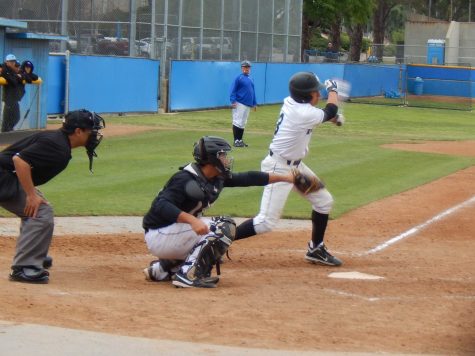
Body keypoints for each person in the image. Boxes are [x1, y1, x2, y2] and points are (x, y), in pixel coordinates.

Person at [142, 135, 295, 288]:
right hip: (159, 234)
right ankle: (189, 275)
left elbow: (248, 178)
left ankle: (162, 270)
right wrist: (192, 220)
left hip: (172, 234)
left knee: (211, 242)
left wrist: (286, 178)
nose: (226, 159)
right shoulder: (184, 179)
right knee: (222, 227)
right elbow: (160, 205)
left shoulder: (215, 177)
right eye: (222, 155)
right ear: (212, 158)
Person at [234, 72, 345, 266]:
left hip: (296, 168)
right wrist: (333, 90)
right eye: (316, 91)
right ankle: (215, 241)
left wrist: (331, 118)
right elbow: (331, 108)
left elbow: (323, 114)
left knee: (323, 201)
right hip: (279, 168)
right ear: (307, 95)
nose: (318, 94)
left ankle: (316, 249)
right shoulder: (304, 113)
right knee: (265, 222)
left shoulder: (293, 103)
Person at [0, 109, 105, 284]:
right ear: (78, 131)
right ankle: (25, 268)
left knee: (37, 208)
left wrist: (32, 194)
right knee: (41, 212)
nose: (94, 136)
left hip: (8, 176)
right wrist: (31, 195)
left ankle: (34, 252)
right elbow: (20, 161)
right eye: (91, 131)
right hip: (4, 177)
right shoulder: (56, 146)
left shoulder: (58, 141)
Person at [229, 60, 257, 148]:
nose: (246, 69)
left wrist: (254, 103)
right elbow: (232, 90)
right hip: (239, 103)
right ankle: (236, 140)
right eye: (244, 67)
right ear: (241, 68)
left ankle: (240, 140)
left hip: (248, 104)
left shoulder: (250, 78)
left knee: (243, 122)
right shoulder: (239, 78)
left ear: (250, 68)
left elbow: (253, 92)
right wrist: (233, 101)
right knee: (237, 121)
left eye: (248, 67)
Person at [0, 54, 23, 132]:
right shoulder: (4, 69)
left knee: (17, 117)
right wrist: (16, 77)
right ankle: (4, 133)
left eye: (14, 61)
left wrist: (16, 76)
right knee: (6, 119)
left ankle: (9, 129)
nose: (13, 63)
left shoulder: (13, 69)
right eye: (11, 61)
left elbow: (21, 76)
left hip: (14, 98)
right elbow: (13, 81)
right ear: (7, 62)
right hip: (8, 99)